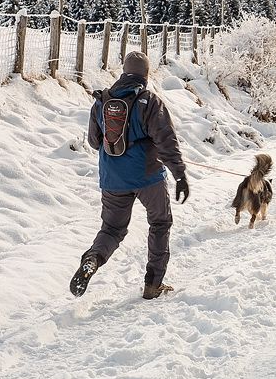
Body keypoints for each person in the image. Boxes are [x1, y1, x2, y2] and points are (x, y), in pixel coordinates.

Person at [70, 51, 190, 300]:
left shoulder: (102, 101)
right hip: (148, 177)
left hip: (113, 178)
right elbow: (166, 142)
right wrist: (180, 175)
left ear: (123, 72)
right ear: (145, 75)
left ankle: (93, 258)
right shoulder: (149, 101)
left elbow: (94, 142)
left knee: (112, 228)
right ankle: (153, 284)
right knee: (160, 223)